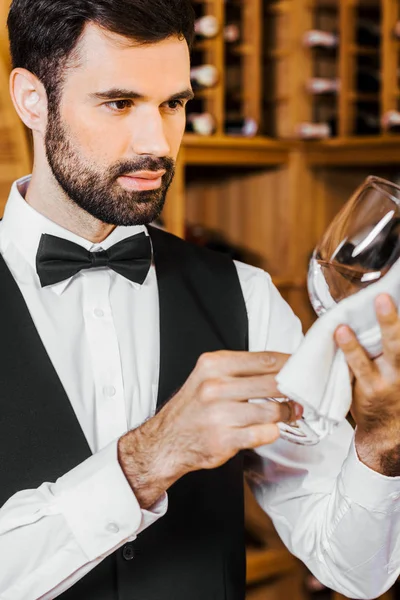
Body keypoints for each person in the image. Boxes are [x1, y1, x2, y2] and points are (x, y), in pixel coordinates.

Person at [1, 0, 400, 598]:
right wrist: (145, 461)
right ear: (32, 99)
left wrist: (380, 445)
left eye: (174, 104)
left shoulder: (248, 297)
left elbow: (356, 571)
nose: (157, 142)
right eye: (119, 103)